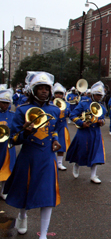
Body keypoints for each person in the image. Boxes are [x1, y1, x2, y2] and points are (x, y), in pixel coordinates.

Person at [4, 71, 62, 239]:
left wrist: (56, 139)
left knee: (47, 195)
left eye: (46, 88)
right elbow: (13, 139)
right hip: (28, 156)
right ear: (33, 90)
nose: (44, 91)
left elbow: (55, 129)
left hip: (47, 157)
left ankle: (43, 234)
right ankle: (22, 216)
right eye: (40, 88)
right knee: (24, 190)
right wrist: (26, 133)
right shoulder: (22, 110)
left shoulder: (55, 110)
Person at [67, 81, 107, 183]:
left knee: (96, 153)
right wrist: (81, 123)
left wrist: (101, 122)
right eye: (97, 95)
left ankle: (93, 175)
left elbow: (103, 120)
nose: (99, 97)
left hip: (95, 132)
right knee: (81, 150)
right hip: (84, 131)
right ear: (92, 95)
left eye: (100, 95)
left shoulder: (102, 107)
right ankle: (76, 165)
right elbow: (72, 115)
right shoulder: (84, 103)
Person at [0, 88, 16, 200]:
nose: (5, 105)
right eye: (3, 103)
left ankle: (3, 190)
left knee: (7, 167)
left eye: (7, 103)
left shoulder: (12, 115)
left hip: (7, 146)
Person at [52, 83, 71, 171]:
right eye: (57, 93)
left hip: (62, 125)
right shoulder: (50, 103)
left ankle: (59, 163)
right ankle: (51, 161)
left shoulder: (67, 104)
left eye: (60, 93)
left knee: (62, 144)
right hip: (52, 126)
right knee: (50, 143)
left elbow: (69, 114)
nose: (58, 95)